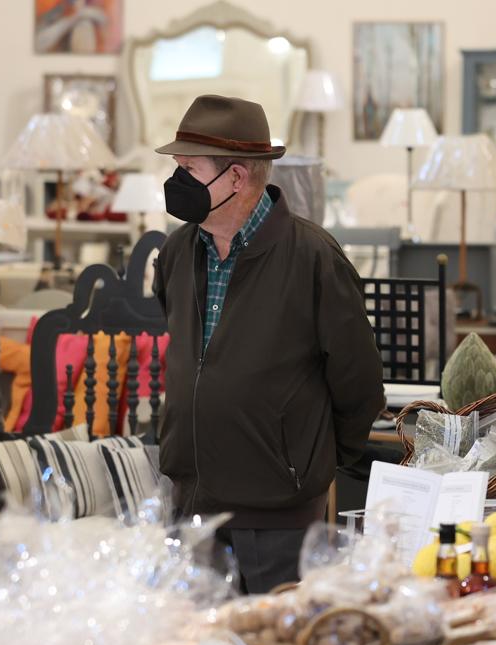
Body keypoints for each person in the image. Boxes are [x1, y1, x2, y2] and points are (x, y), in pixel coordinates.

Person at [152, 95, 385, 593]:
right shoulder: (175, 253)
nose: (176, 183)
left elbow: (359, 384)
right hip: (191, 506)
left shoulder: (313, 258)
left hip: (279, 517)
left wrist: (303, 465)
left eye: (189, 169)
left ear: (236, 177)